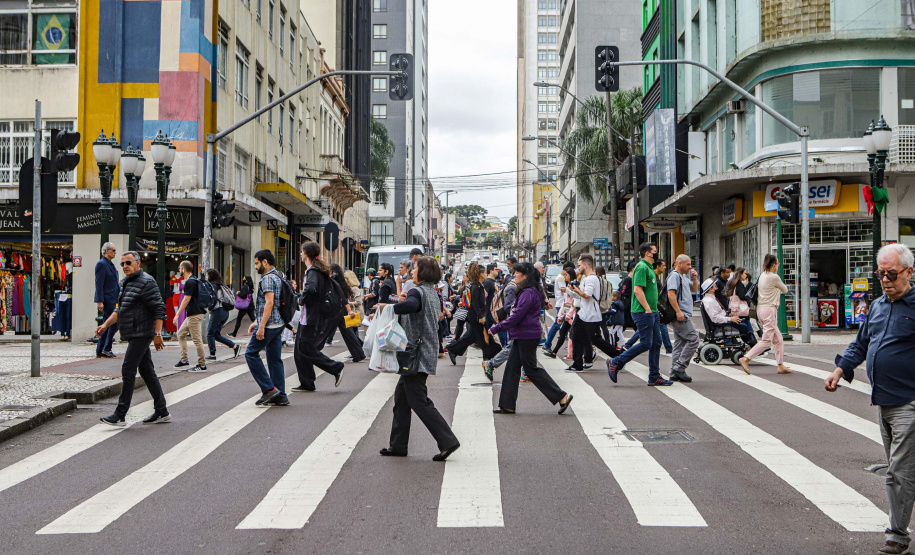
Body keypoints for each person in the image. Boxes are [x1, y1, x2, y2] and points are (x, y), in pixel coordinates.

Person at [825, 244, 915, 555]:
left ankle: (897, 535)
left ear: (908, 272)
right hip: (884, 401)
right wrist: (840, 369)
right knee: (900, 468)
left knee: (899, 472)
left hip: (909, 402)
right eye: (881, 274)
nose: (886, 279)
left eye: (892, 273)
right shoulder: (877, 306)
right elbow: (861, 343)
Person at [378, 257, 461, 461]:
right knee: (402, 399)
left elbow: (413, 306)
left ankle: (447, 440)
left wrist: (387, 307)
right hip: (425, 349)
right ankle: (398, 445)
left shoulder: (418, 291)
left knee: (418, 400)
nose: (411, 272)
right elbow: (416, 306)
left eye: (414, 269)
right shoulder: (433, 292)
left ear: (421, 272)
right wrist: (402, 300)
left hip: (415, 353)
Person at [95, 251, 169, 426]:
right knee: (147, 371)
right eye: (122, 264)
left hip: (142, 332)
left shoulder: (147, 282)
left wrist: (158, 334)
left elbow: (159, 308)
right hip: (134, 332)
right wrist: (105, 325)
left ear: (138, 263)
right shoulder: (126, 283)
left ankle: (120, 414)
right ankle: (162, 410)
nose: (125, 267)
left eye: (128, 263)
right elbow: (120, 309)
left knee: (128, 370)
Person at [489, 262, 573, 415]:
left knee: (531, 369)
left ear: (525, 276)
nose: (514, 275)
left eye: (517, 273)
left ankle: (561, 396)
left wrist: (497, 328)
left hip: (527, 335)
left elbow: (516, 317)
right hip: (523, 334)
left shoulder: (528, 293)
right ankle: (507, 405)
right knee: (512, 369)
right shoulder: (528, 291)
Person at [607, 243, 672, 386]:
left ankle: (654, 376)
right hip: (643, 312)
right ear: (648, 253)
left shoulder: (649, 268)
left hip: (651, 312)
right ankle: (616, 361)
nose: (656, 253)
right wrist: (648, 309)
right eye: (655, 251)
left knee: (656, 343)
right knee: (646, 343)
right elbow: (637, 290)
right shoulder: (641, 267)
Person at [291, 242, 345, 392]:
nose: (301, 254)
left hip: (311, 317)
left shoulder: (313, 272)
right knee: (299, 350)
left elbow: (311, 289)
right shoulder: (315, 270)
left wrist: (301, 299)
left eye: (302, 252)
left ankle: (335, 367)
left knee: (306, 348)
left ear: (306, 254)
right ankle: (307, 383)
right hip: (307, 317)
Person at [245, 249, 288, 406]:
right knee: (274, 359)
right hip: (277, 323)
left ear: (265, 262)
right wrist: (257, 321)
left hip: (269, 324)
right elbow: (273, 304)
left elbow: (269, 303)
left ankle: (269, 389)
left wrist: (261, 325)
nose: (255, 267)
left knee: (250, 353)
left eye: (256, 263)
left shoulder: (268, 279)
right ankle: (281, 395)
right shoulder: (279, 275)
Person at [567, 254, 621, 372]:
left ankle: (619, 357)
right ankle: (577, 364)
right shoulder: (587, 279)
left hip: (590, 315)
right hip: (584, 314)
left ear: (586, 265)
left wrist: (577, 290)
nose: (578, 267)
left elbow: (587, 295)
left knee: (595, 339)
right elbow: (582, 295)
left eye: (580, 265)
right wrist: (571, 290)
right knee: (576, 336)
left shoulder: (591, 279)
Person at [739, 255, 790, 374]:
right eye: (777, 263)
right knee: (767, 340)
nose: (779, 265)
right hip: (769, 310)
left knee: (778, 339)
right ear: (773, 265)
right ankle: (746, 358)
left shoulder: (762, 275)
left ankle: (780, 365)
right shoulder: (774, 277)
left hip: (760, 309)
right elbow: (785, 290)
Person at [446, 262, 502, 363]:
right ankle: (490, 354)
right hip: (475, 316)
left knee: (472, 336)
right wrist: (480, 316)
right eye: (485, 273)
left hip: (476, 315)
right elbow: (475, 303)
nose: (486, 275)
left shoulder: (478, 286)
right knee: (481, 337)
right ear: (480, 274)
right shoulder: (476, 287)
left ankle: (453, 349)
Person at [667, 254, 700, 383]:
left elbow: (694, 289)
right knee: (693, 339)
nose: (690, 267)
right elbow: (671, 294)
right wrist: (678, 311)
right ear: (679, 263)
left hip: (683, 313)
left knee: (679, 343)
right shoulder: (674, 276)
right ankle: (679, 367)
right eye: (688, 264)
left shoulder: (683, 277)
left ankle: (675, 371)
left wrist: (695, 278)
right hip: (681, 314)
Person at [700, 279, 759, 349]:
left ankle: (754, 346)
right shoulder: (709, 301)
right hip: (719, 326)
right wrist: (730, 319)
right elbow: (715, 318)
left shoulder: (710, 299)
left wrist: (728, 314)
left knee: (742, 323)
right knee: (744, 327)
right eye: (715, 287)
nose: (716, 288)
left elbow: (718, 313)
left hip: (721, 322)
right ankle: (754, 347)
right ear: (711, 289)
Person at [482, 272, 518, 380]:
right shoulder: (512, 287)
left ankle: (524, 371)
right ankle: (491, 363)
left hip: (515, 323)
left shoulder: (519, 287)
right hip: (513, 323)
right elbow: (508, 307)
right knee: (511, 347)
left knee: (517, 348)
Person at [173, 260, 207, 372]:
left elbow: (186, 299)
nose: (179, 270)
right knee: (181, 334)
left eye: (180, 268)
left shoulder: (190, 282)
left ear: (184, 269)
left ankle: (202, 365)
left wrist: (177, 315)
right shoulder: (194, 280)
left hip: (195, 314)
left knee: (197, 340)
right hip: (193, 314)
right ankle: (184, 360)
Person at [329, 263, 365, 362]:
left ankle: (313, 350)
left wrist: (349, 310)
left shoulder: (334, 282)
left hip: (338, 310)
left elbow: (342, 298)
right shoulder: (341, 283)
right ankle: (359, 351)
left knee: (325, 331)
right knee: (347, 333)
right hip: (341, 309)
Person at [204, 269, 240, 361]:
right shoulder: (221, 285)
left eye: (207, 275)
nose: (206, 277)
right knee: (215, 334)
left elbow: (213, 299)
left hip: (218, 311)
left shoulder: (213, 286)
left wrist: (209, 307)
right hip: (225, 312)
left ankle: (212, 355)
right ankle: (235, 346)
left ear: (211, 276)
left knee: (210, 333)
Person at [94, 242, 120, 359]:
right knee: (113, 323)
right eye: (113, 250)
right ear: (106, 251)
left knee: (107, 323)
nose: (115, 252)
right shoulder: (101, 264)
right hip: (107, 299)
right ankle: (106, 348)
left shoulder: (110, 264)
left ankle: (101, 349)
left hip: (113, 298)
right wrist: (100, 300)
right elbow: (99, 283)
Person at [653, 258, 674, 354]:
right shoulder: (653, 277)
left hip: (657, 306)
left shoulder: (656, 277)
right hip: (655, 306)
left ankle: (628, 345)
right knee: (662, 325)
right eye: (663, 265)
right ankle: (669, 347)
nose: (665, 267)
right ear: (657, 266)